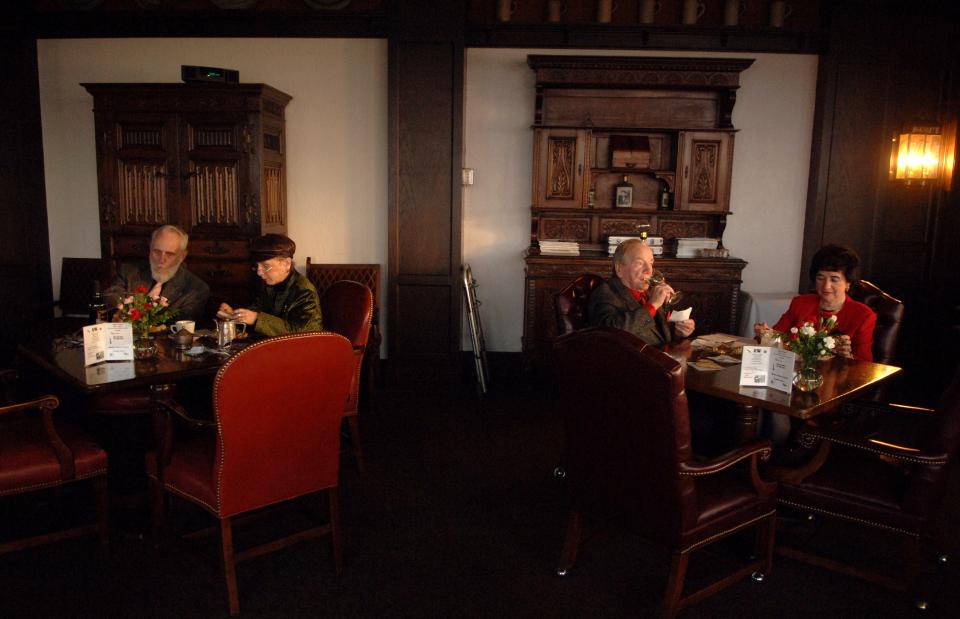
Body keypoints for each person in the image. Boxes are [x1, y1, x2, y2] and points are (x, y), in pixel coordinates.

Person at [754, 244, 876, 361]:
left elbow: (866, 365)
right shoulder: (800, 303)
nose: (826, 286)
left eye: (834, 279)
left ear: (848, 283)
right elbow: (778, 335)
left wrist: (847, 356)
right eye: (820, 278)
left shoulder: (863, 316)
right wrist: (765, 334)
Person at [588, 238, 695, 345]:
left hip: (659, 359)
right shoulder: (605, 293)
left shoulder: (649, 292)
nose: (649, 270)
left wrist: (678, 332)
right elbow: (612, 333)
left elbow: (658, 335)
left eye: (651, 263)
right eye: (639, 263)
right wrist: (652, 305)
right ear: (619, 269)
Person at [217, 233, 323, 336]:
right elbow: (254, 312)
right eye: (257, 266)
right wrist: (234, 315)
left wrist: (257, 319)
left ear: (286, 264)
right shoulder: (270, 284)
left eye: (266, 266)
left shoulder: (304, 291)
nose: (259, 272)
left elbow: (300, 333)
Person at [109, 224, 210, 322]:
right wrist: (120, 312)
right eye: (157, 252)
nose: (161, 259)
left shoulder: (196, 288)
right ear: (150, 249)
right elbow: (112, 295)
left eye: (169, 254)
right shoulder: (128, 272)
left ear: (182, 256)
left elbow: (182, 323)